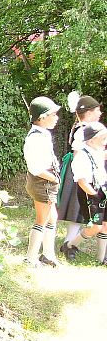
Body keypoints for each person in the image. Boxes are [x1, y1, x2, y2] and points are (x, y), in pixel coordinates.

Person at [57, 94, 102, 259]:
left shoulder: (86, 128)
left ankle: (70, 243)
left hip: (85, 172)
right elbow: (78, 154)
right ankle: (69, 244)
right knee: (76, 209)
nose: (100, 114)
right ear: (89, 112)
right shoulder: (83, 130)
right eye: (97, 111)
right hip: (79, 172)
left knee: (79, 211)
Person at [60, 122, 107, 264]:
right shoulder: (82, 155)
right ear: (92, 139)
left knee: (105, 224)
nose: (106, 142)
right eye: (103, 138)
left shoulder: (97, 151)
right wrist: (95, 195)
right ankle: (69, 245)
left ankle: (101, 258)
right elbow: (82, 181)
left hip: (101, 190)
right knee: (95, 226)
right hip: (90, 193)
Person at [23, 96, 61, 267]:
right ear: (42, 117)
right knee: (42, 219)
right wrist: (53, 178)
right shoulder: (36, 138)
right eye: (53, 114)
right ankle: (30, 257)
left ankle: (48, 254)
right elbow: (35, 167)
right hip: (42, 182)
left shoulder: (42, 134)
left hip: (46, 182)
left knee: (52, 217)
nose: (57, 118)